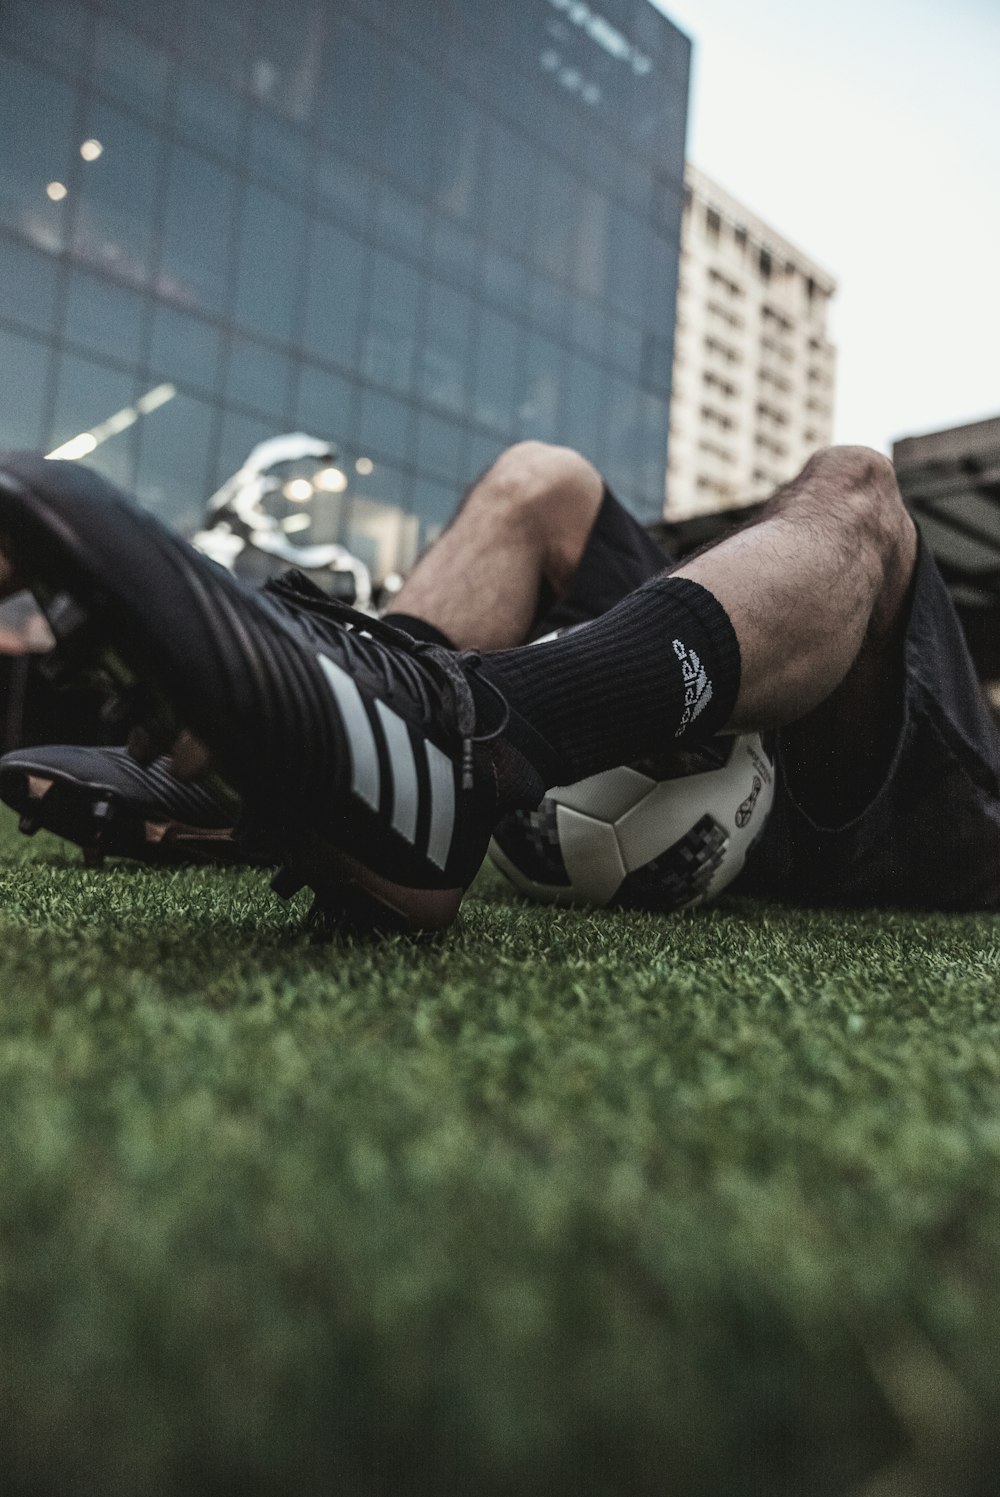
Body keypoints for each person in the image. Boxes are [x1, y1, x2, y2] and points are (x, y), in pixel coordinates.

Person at [0, 440, 997, 932]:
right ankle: (345, 738)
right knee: (542, 476)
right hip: (741, 685)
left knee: (859, 490)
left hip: (893, 812)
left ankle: (469, 741)